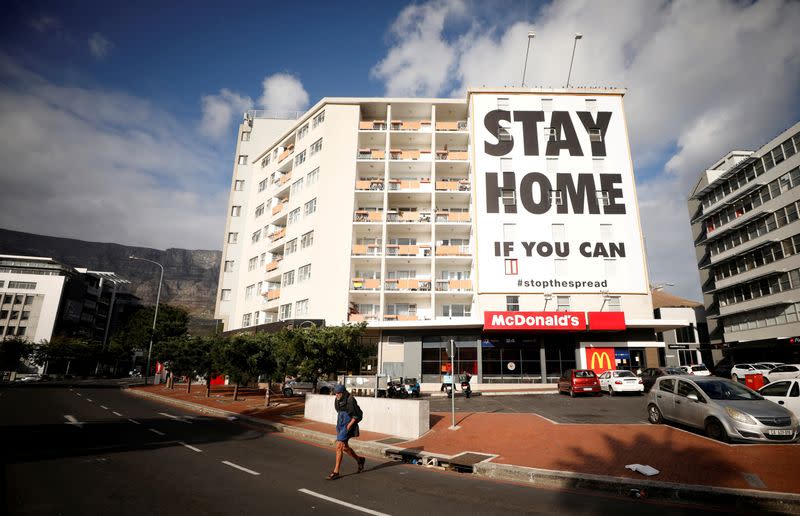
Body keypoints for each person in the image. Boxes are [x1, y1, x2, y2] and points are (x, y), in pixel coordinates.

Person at [327, 384, 366, 480]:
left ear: (343, 392)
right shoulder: (337, 399)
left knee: (339, 446)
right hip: (340, 423)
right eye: (335, 394)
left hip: (348, 424)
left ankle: (336, 472)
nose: (336, 396)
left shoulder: (351, 399)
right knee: (344, 447)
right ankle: (359, 460)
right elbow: (339, 411)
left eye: (338, 393)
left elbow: (357, 415)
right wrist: (339, 424)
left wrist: (349, 425)